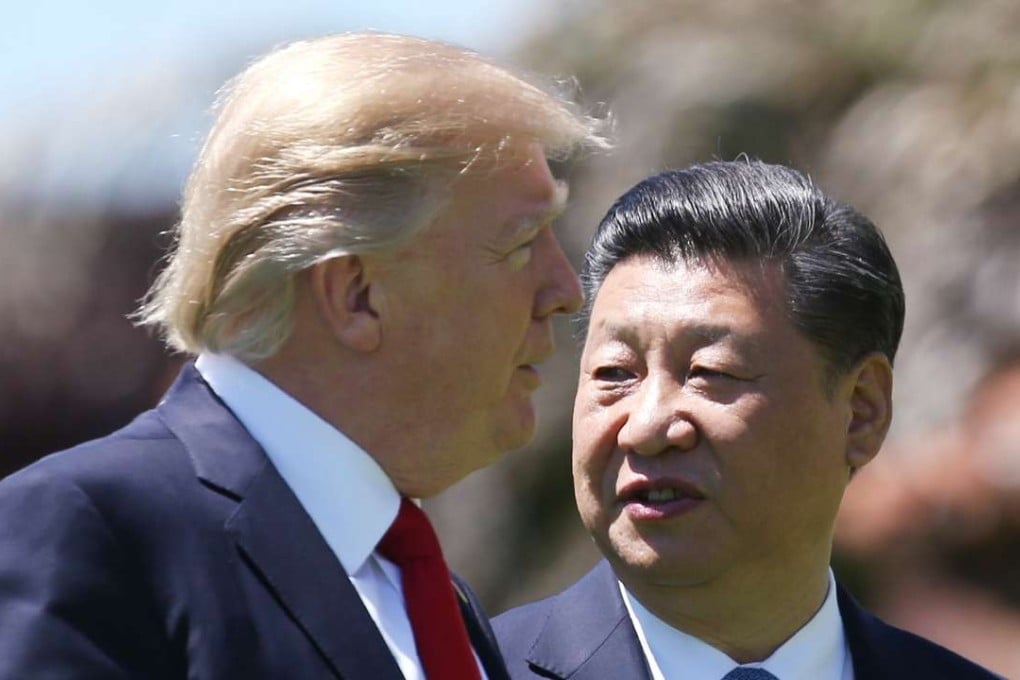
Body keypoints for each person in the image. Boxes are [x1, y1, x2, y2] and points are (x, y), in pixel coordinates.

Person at [0, 33, 605, 678]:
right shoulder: (89, 530)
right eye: (521, 244)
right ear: (356, 294)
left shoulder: (432, 598)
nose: (566, 292)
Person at [493, 161, 1000, 679]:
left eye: (709, 371)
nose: (644, 427)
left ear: (861, 411)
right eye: (615, 372)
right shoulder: (462, 668)